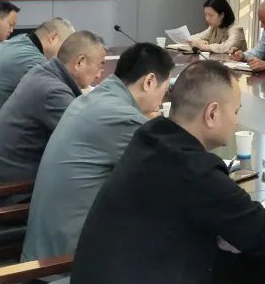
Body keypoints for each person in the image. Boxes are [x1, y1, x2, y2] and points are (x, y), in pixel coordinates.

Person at [69, 60, 265, 284]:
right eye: (235, 111)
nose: (236, 119)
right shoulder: (196, 172)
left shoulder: (148, 139)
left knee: (232, 283)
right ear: (212, 114)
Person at [21, 42, 174, 262]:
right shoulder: (123, 118)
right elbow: (169, 176)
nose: (162, 99)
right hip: (65, 263)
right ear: (149, 81)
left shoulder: (95, 98)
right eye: (164, 90)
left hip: (45, 246)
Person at [0, 30, 107, 188]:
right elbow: (88, 140)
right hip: (14, 190)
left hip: (8, 177)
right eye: (100, 66)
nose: (99, 76)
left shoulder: (43, 73)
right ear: (79, 62)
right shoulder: (53, 91)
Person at [0, 17, 74, 140]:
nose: (66, 55)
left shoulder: (19, 41)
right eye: (66, 48)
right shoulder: (33, 61)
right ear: (53, 38)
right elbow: (61, 103)